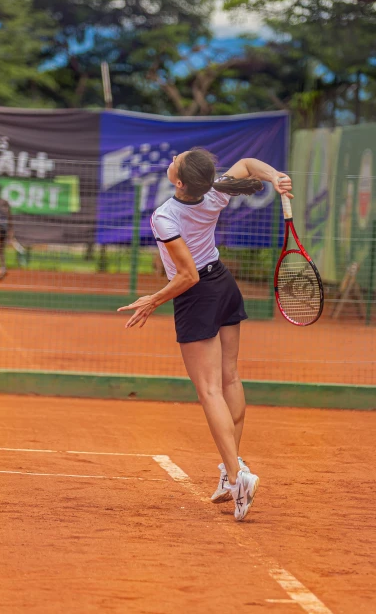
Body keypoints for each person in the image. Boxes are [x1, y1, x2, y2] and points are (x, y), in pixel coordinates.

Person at [118, 149, 292, 521]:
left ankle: (236, 475)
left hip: (197, 294)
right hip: (223, 285)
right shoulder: (214, 191)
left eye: (176, 161)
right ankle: (233, 470)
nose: (173, 158)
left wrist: (152, 300)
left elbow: (187, 276)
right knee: (229, 378)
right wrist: (275, 175)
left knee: (210, 389)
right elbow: (248, 164)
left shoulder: (165, 217)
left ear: (178, 182)